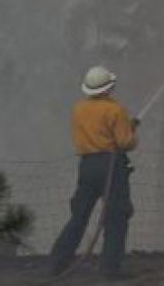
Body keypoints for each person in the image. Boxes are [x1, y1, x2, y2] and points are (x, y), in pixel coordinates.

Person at [48, 65, 138, 279]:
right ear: (108, 87)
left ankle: (57, 263)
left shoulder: (78, 109)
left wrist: (124, 127)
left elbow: (97, 131)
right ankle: (110, 270)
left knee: (79, 215)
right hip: (111, 166)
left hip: (87, 166)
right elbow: (124, 142)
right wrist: (130, 131)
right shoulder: (115, 110)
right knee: (116, 216)